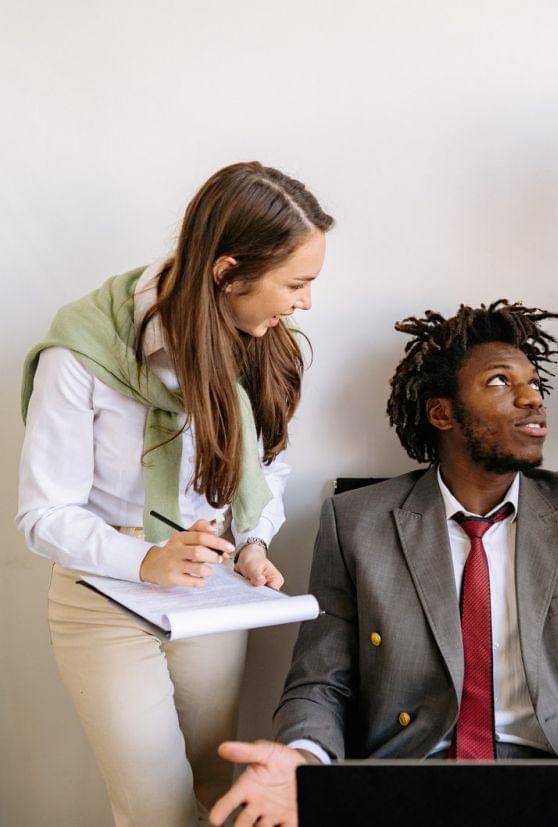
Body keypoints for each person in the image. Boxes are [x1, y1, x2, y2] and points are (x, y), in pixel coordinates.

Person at [210, 300, 558, 827]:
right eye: (500, 382)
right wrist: (303, 761)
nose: (531, 399)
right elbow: (320, 684)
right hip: (410, 785)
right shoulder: (357, 522)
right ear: (442, 412)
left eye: (534, 385)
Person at [17, 161, 334, 826]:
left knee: (221, 789)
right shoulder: (83, 351)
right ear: (227, 272)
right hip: (103, 595)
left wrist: (251, 543)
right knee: (158, 811)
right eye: (296, 283)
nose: (305, 302)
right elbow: (43, 514)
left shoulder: (260, 342)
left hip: (208, 586)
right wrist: (146, 560)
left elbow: (268, 464)